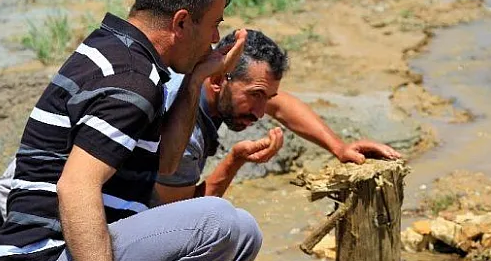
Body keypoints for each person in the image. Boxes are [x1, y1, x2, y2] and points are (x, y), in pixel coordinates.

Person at [0, 0, 258, 261]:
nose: (215, 37)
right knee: (216, 221)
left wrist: (197, 79)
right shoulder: (130, 79)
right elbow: (76, 187)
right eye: (215, 22)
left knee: (244, 235)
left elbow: (165, 165)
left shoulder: (126, 53)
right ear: (182, 22)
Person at [154, 29, 402, 203]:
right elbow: (182, 217)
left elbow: (281, 105)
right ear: (219, 80)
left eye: (267, 98)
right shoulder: (184, 132)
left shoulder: (196, 74)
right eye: (256, 95)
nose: (261, 113)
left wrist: (339, 147)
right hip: (129, 228)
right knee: (233, 231)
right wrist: (235, 160)